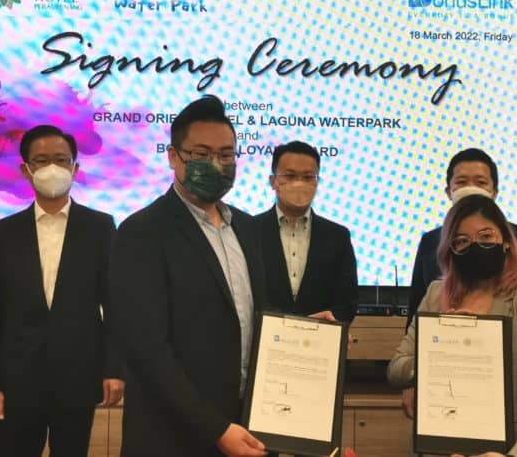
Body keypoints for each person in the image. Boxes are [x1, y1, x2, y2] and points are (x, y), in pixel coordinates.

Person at [109, 95, 268, 457]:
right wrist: (216, 429)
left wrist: (305, 330)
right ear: (173, 156)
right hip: (172, 436)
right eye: (201, 154)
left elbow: (249, 317)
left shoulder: (246, 228)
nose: (216, 164)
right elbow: (147, 350)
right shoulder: (142, 232)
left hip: (245, 427)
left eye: (226, 155)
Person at [0, 124, 124, 456]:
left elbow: (115, 306)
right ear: (25, 170)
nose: (52, 168)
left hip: (78, 377)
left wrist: (114, 369)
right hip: (16, 382)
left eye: (61, 159)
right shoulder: (3, 233)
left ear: (75, 168)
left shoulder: (100, 228)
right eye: (41, 161)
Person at [388, 194, 517, 457]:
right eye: (462, 241)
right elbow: (396, 369)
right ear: (450, 250)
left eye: (486, 236)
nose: (475, 246)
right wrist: (438, 353)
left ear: (506, 242)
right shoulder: (436, 295)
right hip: (438, 447)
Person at [407, 148, 517, 330]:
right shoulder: (430, 241)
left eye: (480, 182)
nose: (471, 189)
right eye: (462, 182)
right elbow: (416, 306)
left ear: (494, 192)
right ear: (449, 191)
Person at [254, 141, 358, 323]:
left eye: (308, 177)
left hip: (319, 337)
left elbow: (347, 302)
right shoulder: (250, 230)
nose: (299, 183)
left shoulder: (338, 236)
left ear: (317, 182)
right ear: (273, 181)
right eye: (290, 176)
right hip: (263, 336)